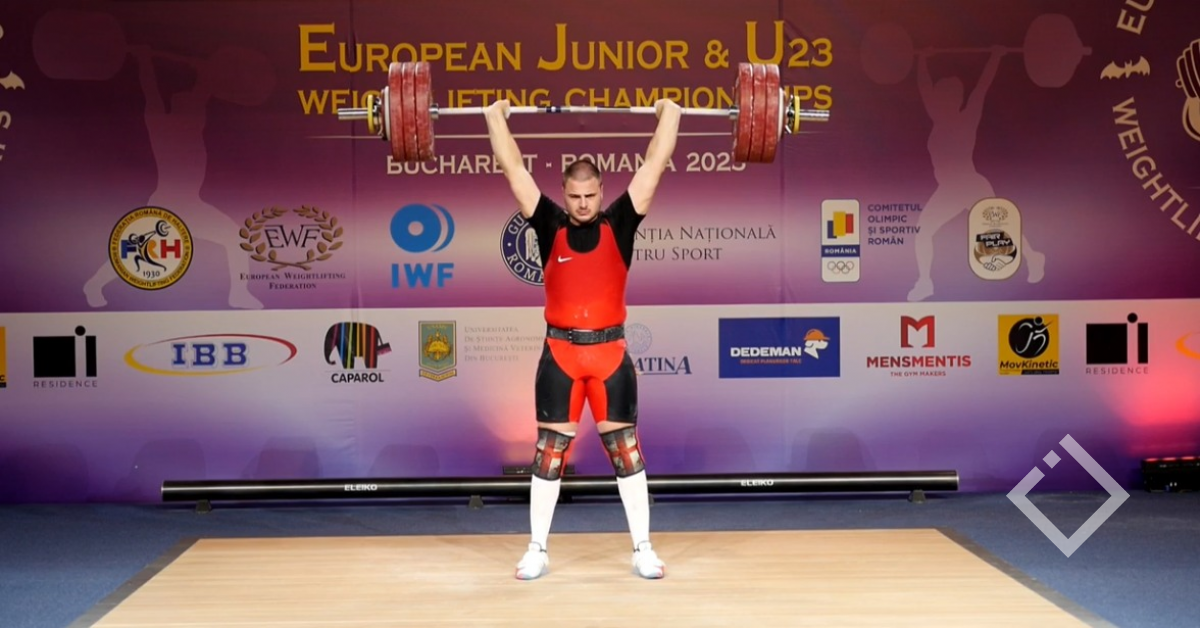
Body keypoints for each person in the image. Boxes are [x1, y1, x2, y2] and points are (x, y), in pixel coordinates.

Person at [484, 97, 682, 580]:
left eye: (590, 195)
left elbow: (654, 165)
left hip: (610, 355)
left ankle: (643, 549)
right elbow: (514, 170)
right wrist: (494, 119)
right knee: (549, 452)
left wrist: (671, 115)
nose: (583, 204)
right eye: (575, 196)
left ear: (601, 191)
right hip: (561, 355)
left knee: (626, 451)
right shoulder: (549, 223)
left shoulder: (620, 222)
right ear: (564, 193)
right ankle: (536, 549)